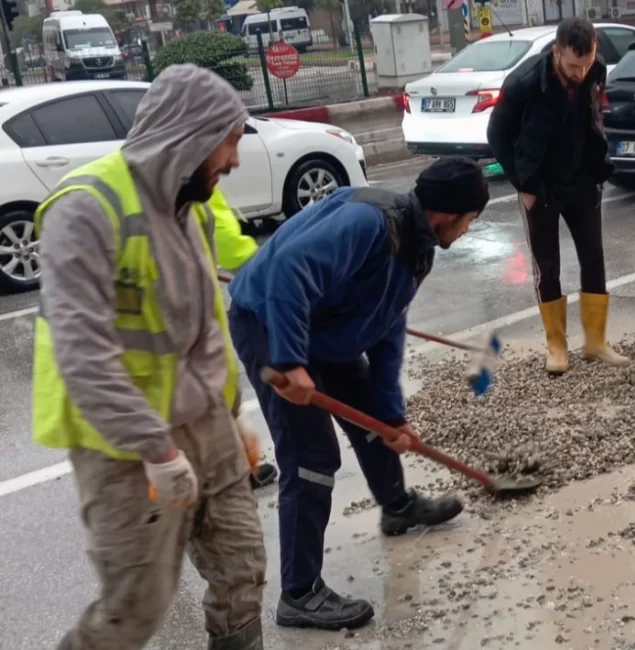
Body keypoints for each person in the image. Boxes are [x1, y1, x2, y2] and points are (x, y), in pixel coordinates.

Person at [35, 64, 266, 650]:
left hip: (205, 419)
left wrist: (233, 408)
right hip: (124, 444)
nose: (234, 160)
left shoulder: (193, 204)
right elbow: (82, 351)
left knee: (241, 567)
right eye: (229, 140)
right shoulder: (86, 209)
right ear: (188, 135)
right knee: (136, 605)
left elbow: (207, 320)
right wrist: (157, 449)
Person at [226, 156, 490, 631]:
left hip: (328, 329)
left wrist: (392, 415)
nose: (469, 229)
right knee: (312, 457)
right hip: (270, 321)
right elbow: (288, 269)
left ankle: (397, 506)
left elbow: (387, 330)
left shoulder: (417, 246)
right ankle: (300, 593)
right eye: (472, 218)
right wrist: (289, 361)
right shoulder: (370, 222)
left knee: (375, 421)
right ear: (450, 213)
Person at [487, 17, 629, 375]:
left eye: (586, 64)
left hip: (583, 181)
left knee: (593, 259)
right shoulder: (523, 84)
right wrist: (523, 184)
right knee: (547, 268)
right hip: (541, 187)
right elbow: (497, 135)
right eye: (572, 66)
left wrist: (597, 172)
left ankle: (596, 342)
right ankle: (556, 346)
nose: (581, 73)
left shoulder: (595, 70)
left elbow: (594, 116)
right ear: (556, 52)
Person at [201, 187, 280, 490]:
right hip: (174, 317)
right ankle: (237, 464)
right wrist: (270, 274)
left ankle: (238, 462)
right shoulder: (194, 178)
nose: (233, 159)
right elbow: (231, 246)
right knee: (208, 383)